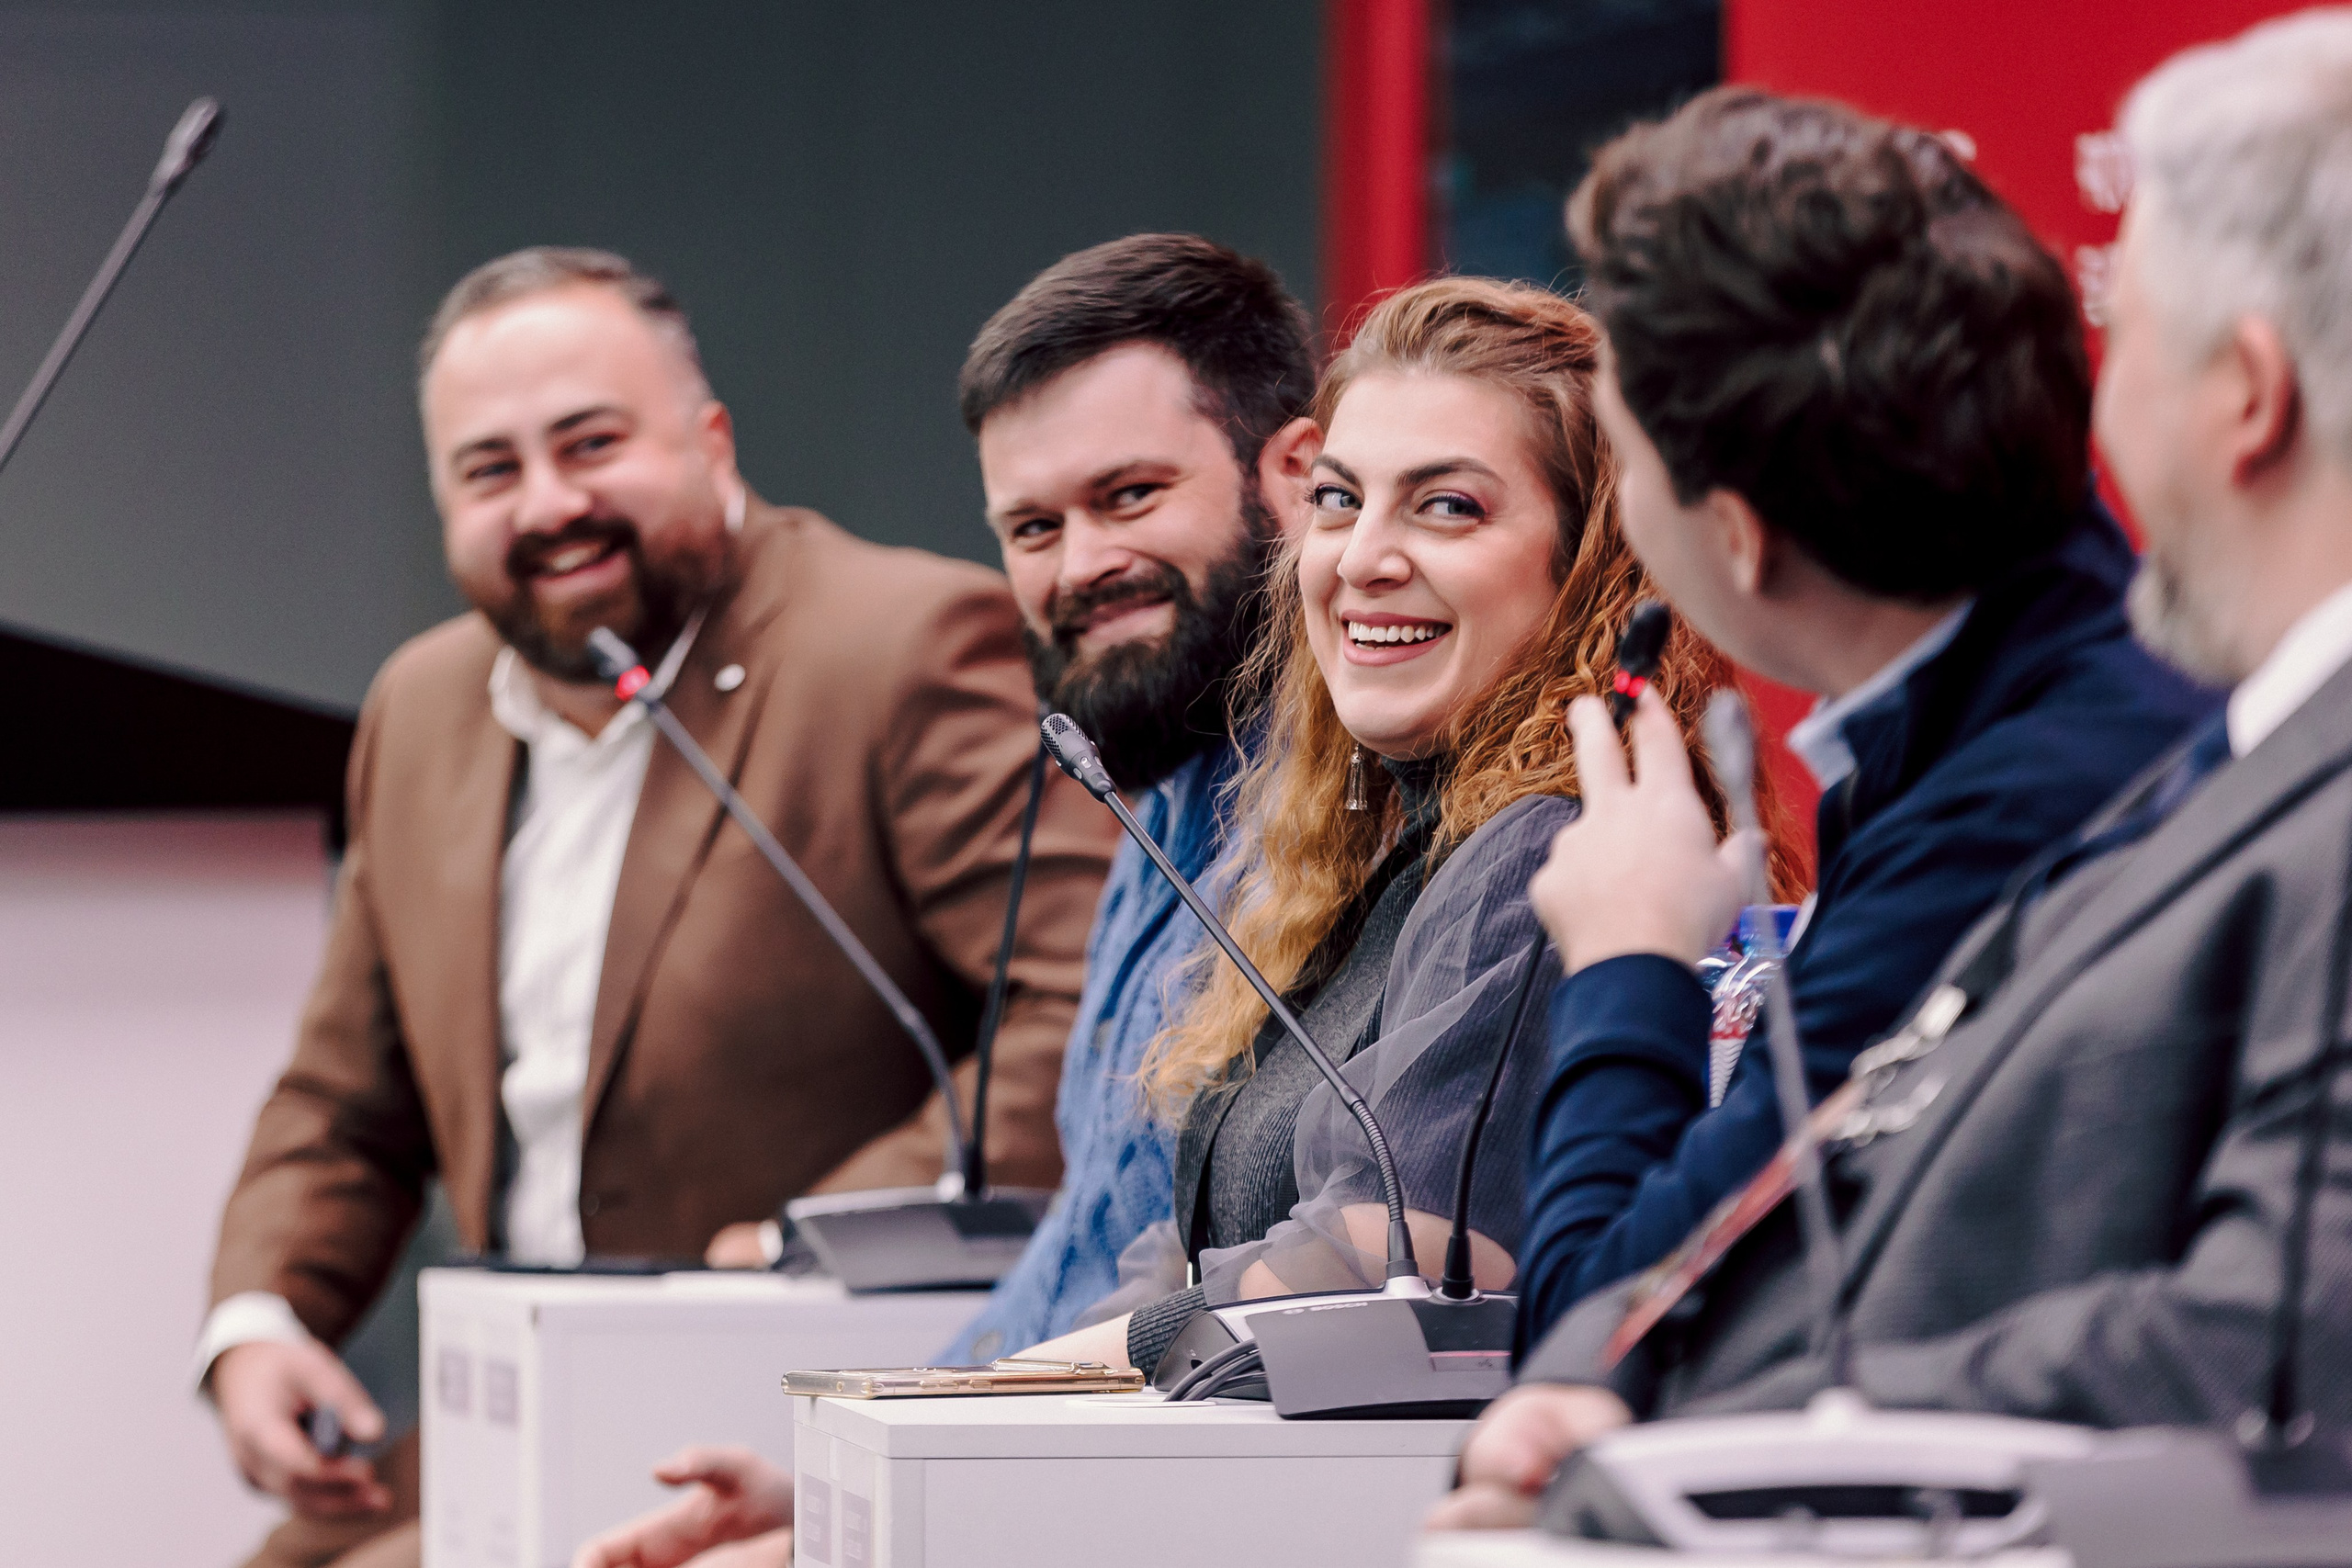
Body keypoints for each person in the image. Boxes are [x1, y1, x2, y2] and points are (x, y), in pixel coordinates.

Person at [1435, 10, 2352, 1529]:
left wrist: (1720, 1430)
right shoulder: (2209, 771)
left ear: (2247, 397)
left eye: (2131, 347)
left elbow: (2275, 1345)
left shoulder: (2142, 781)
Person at [197, 247, 1114, 1568]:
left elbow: (1078, 1020)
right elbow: (347, 1099)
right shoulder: (423, 703)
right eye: (490, 469)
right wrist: (261, 1317)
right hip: (510, 1413)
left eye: (591, 442)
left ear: (711, 439)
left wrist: (801, 1247)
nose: (551, 503)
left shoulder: (899, 643)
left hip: (785, 1418)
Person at [572, 232, 1319, 1568]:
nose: (1078, 563)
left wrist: (895, 1495)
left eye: (1132, 494)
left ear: (1296, 472)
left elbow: (1206, 1310)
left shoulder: (1354, 810)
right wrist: (837, 1477)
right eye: (1033, 527)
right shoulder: (1152, 795)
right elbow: (1087, 1248)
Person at [1505, 87, 2211, 1350]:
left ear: (1734, 532)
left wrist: (1628, 955)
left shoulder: (2013, 813)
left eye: (1622, 455)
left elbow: (1598, 1331)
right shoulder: (2028, 701)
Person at [1018, 276, 1773, 1379]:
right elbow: (1177, 1267)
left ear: (1591, 569)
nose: (1360, 557)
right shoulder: (1372, 860)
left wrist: (1043, 1381)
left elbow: (1393, 1252)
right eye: (1337, 499)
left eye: (1446, 506)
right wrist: (966, 1399)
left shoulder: (1545, 849)